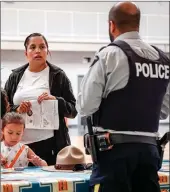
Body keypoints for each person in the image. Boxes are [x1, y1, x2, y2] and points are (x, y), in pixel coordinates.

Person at [76, 2, 169, 192]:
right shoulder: (163, 60)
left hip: (114, 154)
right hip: (150, 152)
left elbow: (85, 106)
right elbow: (163, 111)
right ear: (138, 24)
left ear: (112, 25)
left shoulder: (109, 55)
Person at [4, 33, 77, 166]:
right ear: (26, 53)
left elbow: (73, 110)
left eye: (42, 47)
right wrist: (18, 109)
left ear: (47, 51)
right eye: (32, 47)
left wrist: (56, 100)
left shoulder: (58, 76)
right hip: (17, 145)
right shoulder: (15, 76)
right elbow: (3, 110)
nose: (37, 50)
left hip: (48, 145)